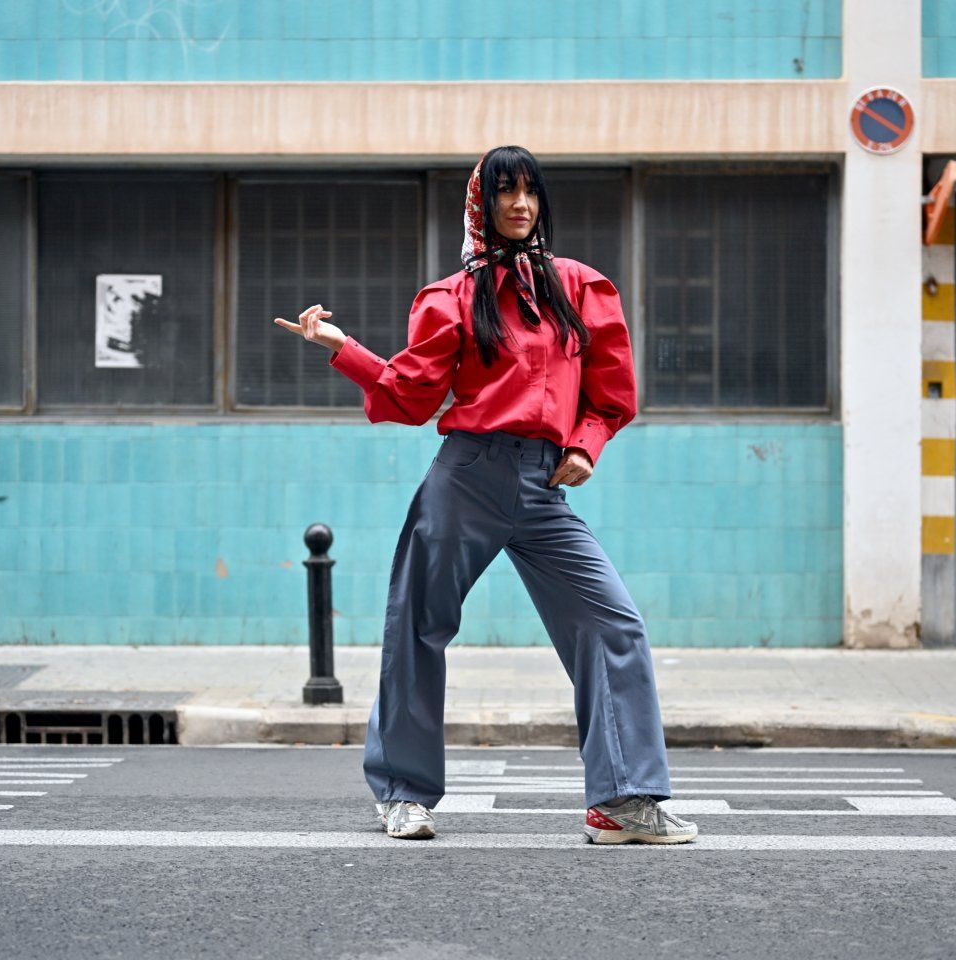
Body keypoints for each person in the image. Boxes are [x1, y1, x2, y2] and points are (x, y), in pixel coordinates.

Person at [274, 145, 697, 847]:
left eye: (530, 190)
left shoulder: (580, 287)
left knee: (613, 624)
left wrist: (586, 444)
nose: (520, 204)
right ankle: (403, 794)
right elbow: (411, 396)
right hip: (467, 476)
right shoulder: (452, 298)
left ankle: (621, 801)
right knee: (418, 625)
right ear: (482, 202)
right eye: (505, 191)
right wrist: (343, 348)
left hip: (544, 486)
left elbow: (612, 393)